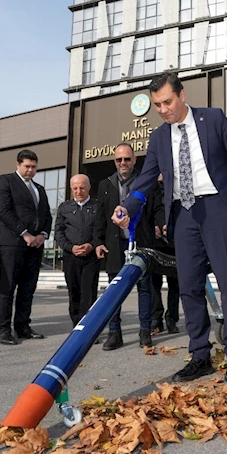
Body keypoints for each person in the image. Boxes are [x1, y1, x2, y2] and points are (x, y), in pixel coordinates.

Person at [112, 72, 227, 384]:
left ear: (182, 95)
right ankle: (200, 355)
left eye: (167, 101)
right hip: (184, 214)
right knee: (190, 286)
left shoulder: (214, 119)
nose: (162, 109)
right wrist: (128, 207)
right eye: (157, 105)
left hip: (217, 206)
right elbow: (145, 181)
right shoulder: (159, 138)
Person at [94, 143, 164, 350]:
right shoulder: (105, 185)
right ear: (114, 161)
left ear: (134, 160)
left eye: (127, 159)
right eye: (119, 160)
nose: (123, 163)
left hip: (141, 243)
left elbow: (158, 208)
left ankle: (145, 332)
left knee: (145, 289)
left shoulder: (147, 182)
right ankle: (114, 334)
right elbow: (100, 217)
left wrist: (162, 224)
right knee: (114, 292)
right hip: (115, 246)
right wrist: (97, 242)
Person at [0, 150, 52, 345]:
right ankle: (2, 330)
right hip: (12, 243)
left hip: (35, 245)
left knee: (28, 288)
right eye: (27, 166)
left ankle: (23, 326)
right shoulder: (4, 182)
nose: (30, 170)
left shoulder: (39, 189)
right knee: (8, 287)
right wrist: (25, 233)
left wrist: (42, 235)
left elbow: (47, 215)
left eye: (34, 167)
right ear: (17, 164)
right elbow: (3, 211)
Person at [55, 174, 101, 328]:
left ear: (89, 187)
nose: (78, 191)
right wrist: (70, 247)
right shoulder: (64, 208)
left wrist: (92, 245)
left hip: (91, 258)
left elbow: (102, 231)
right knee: (74, 293)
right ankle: (77, 326)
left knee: (89, 295)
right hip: (70, 258)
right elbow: (58, 233)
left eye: (82, 187)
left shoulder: (98, 207)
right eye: (75, 188)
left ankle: (88, 327)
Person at [151, 173, 180, 335]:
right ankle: (157, 319)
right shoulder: (150, 188)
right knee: (154, 284)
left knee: (174, 285)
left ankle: (172, 319)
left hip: (174, 243)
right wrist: (153, 227)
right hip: (155, 243)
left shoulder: (176, 186)